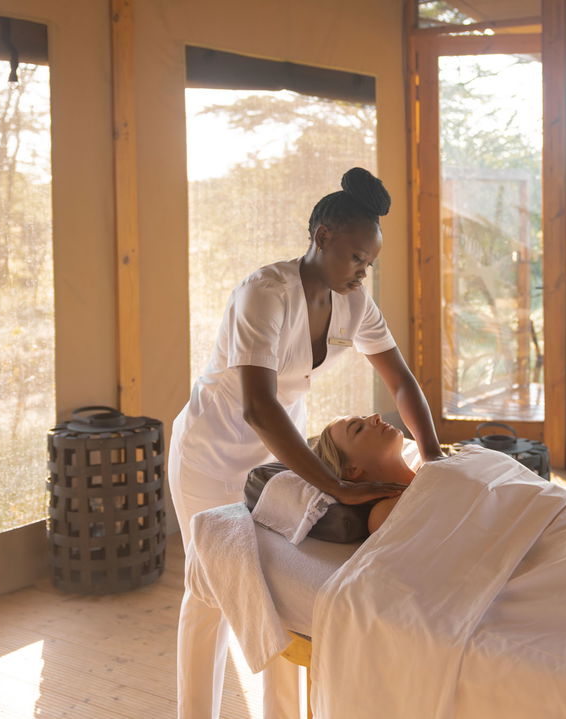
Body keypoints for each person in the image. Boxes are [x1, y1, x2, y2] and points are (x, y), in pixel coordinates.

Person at [168, 167, 442, 719]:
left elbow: (400, 380)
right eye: (356, 257)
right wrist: (335, 485)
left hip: (281, 453)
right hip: (212, 452)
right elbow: (257, 405)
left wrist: (435, 460)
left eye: (370, 262)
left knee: (282, 587)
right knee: (212, 589)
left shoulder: (354, 301)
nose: (363, 272)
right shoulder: (264, 293)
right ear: (322, 237)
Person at [312, 413, 421, 533]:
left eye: (364, 417)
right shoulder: (383, 515)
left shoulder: (427, 465)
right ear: (352, 470)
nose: (376, 416)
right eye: (358, 429)